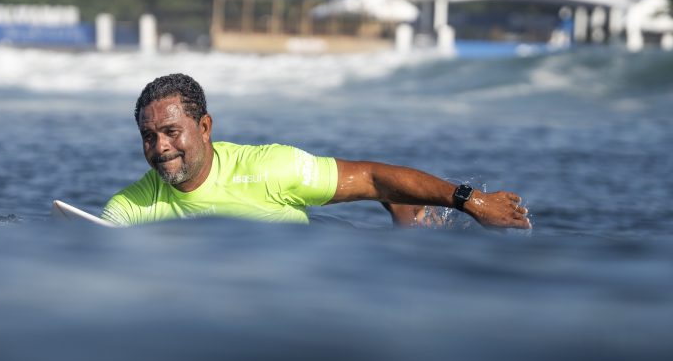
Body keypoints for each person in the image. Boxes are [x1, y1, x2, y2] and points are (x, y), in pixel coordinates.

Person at [101, 73, 531, 229]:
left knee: (384, 197)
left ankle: (404, 213)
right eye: (148, 136)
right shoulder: (130, 207)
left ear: (205, 127)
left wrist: (472, 201)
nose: (160, 148)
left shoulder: (270, 168)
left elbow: (370, 176)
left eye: (172, 132)